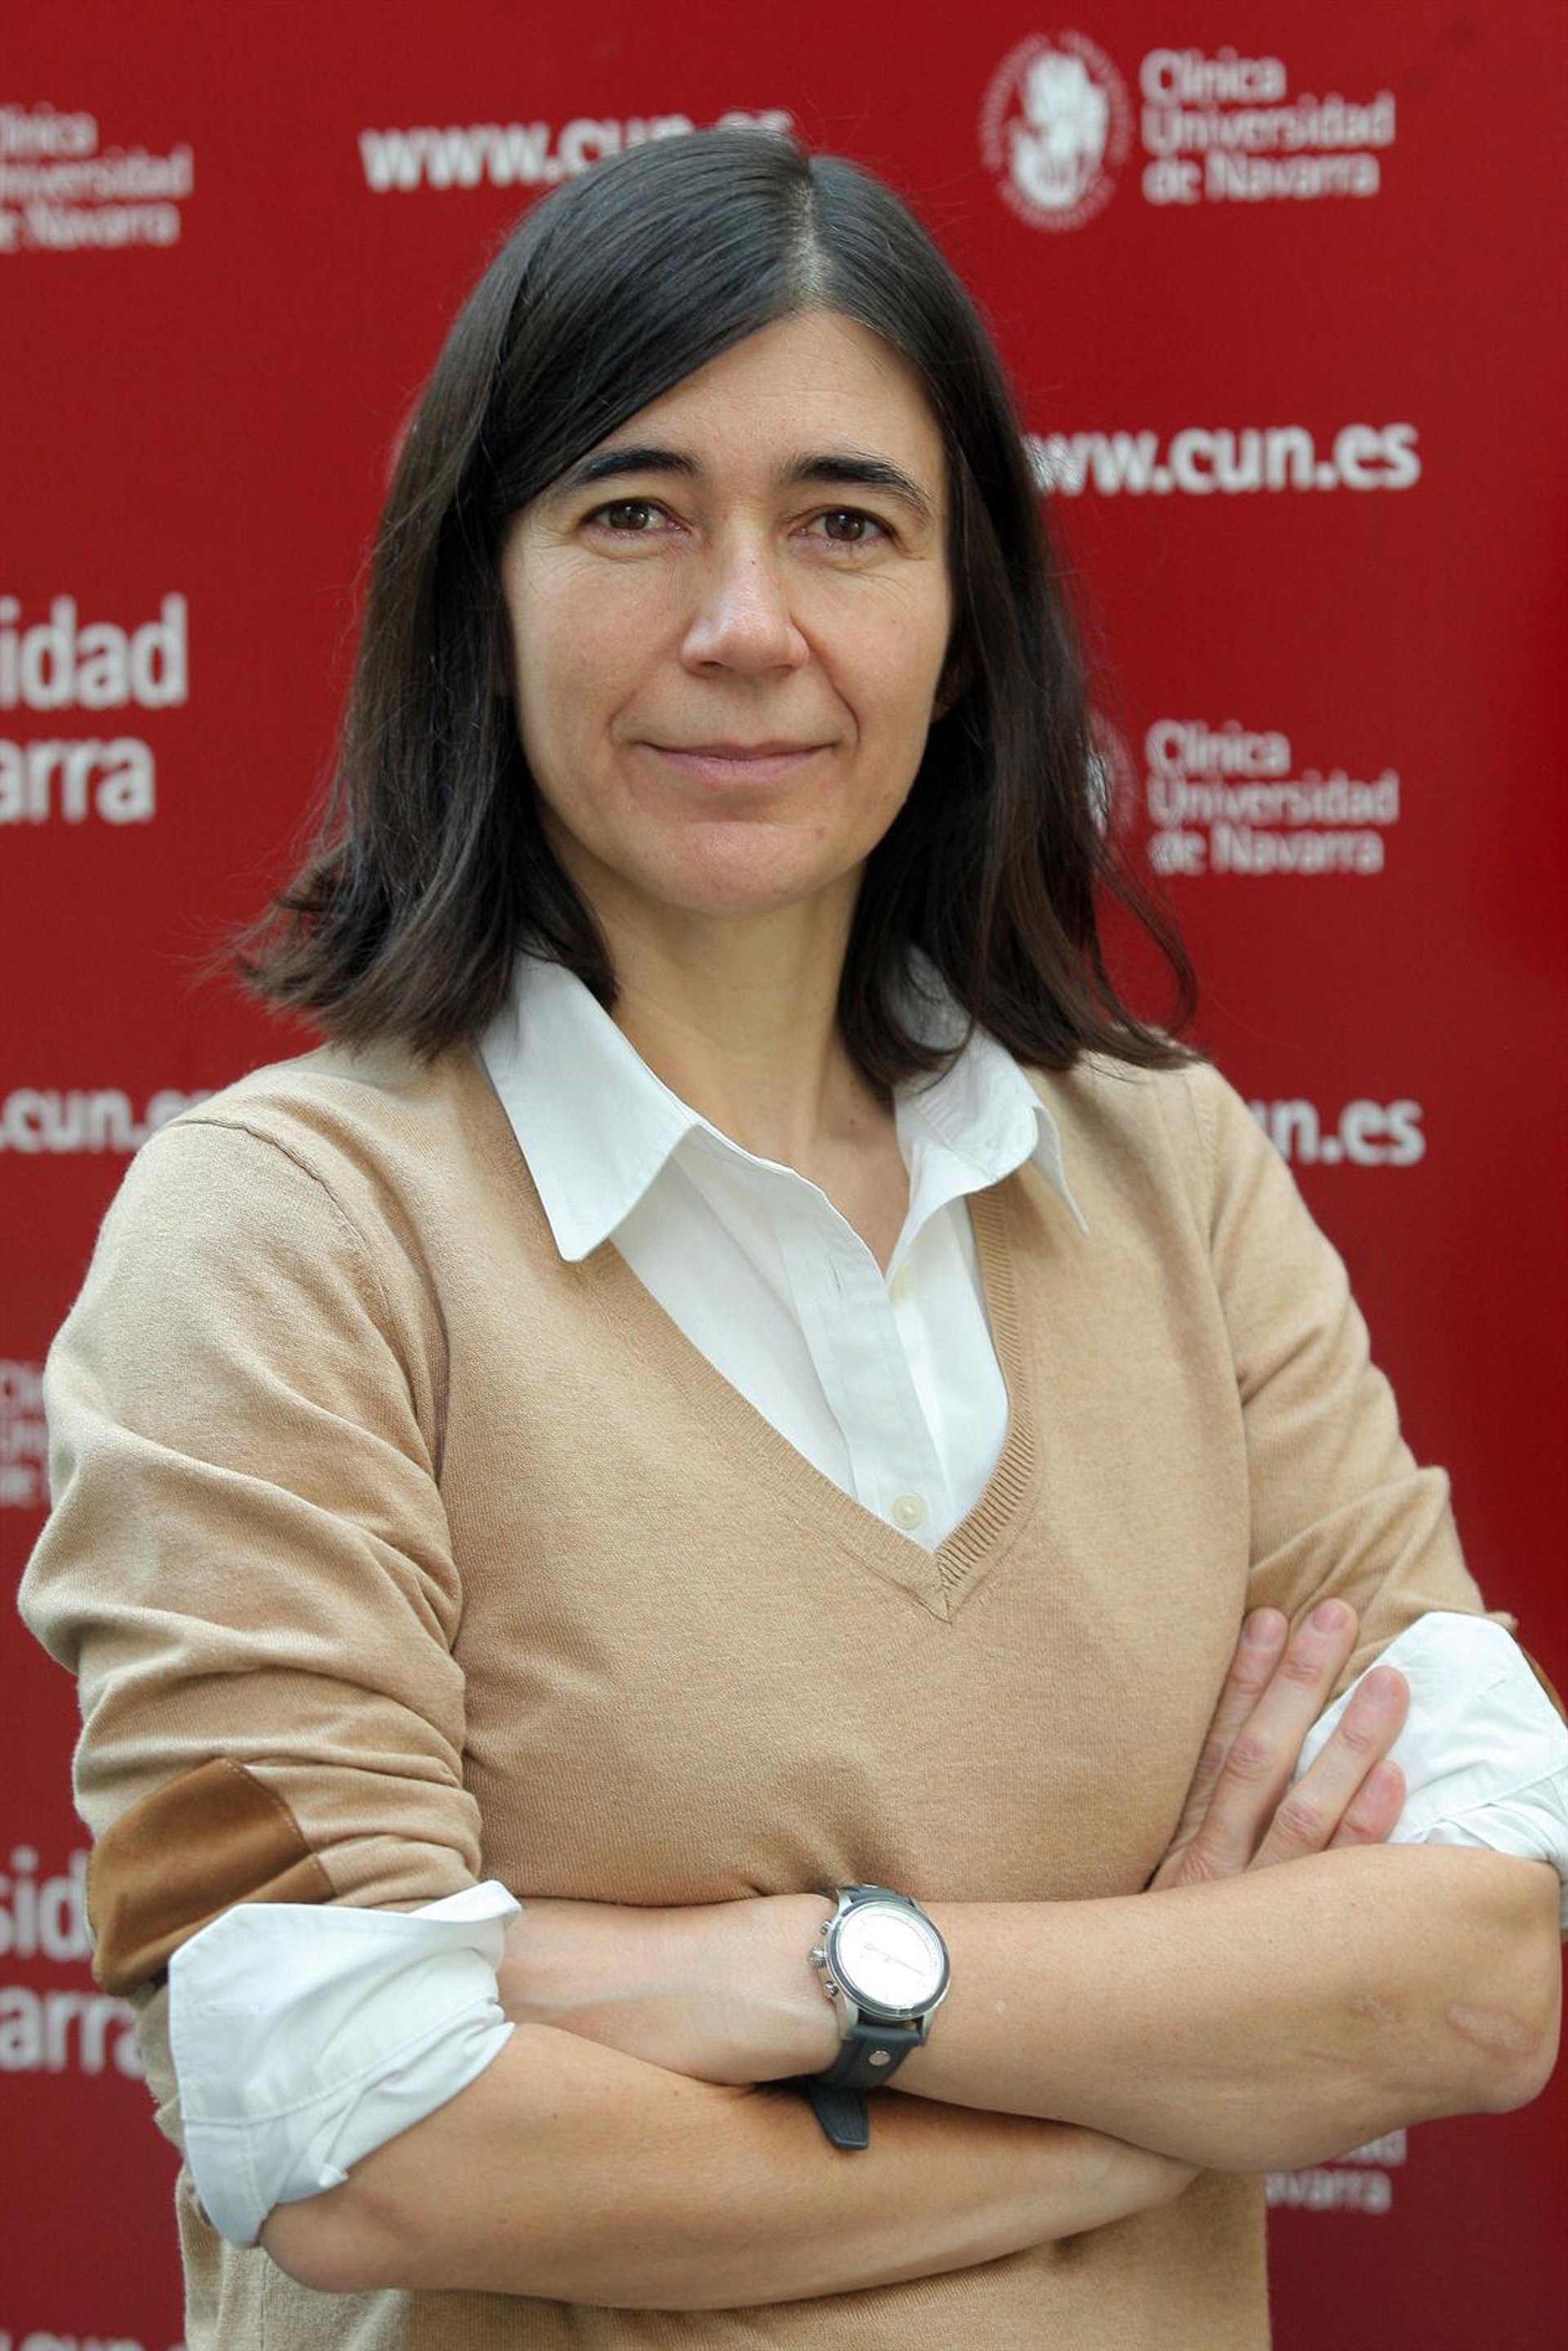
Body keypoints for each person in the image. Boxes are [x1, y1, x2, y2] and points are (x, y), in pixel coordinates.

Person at [17, 126, 1567, 2349]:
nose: (744, 628)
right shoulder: (285, 1239)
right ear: (480, 597)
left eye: (847, 523)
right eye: (632, 513)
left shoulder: (1170, 1170)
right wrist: (1157, 2104)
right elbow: (357, 2127)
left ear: (964, 624)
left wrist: (811, 1981)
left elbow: (1483, 1964)